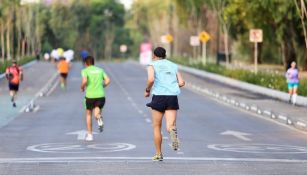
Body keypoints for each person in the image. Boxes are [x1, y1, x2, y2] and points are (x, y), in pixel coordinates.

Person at [145, 47, 185, 161]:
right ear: (165, 55)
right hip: (172, 97)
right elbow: (181, 82)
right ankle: (173, 133)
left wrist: (147, 90)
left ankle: (159, 154)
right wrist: (172, 85)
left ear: (154, 56)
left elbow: (151, 79)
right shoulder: (173, 65)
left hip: (158, 97)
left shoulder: (152, 65)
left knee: (157, 127)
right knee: (170, 126)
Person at [80, 56, 110, 141]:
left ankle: (90, 135)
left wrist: (82, 87)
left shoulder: (85, 71)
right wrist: (102, 86)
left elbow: (85, 81)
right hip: (100, 95)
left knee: (89, 114)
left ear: (86, 63)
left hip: (90, 96)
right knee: (97, 112)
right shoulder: (100, 70)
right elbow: (108, 80)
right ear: (93, 62)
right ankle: (99, 117)